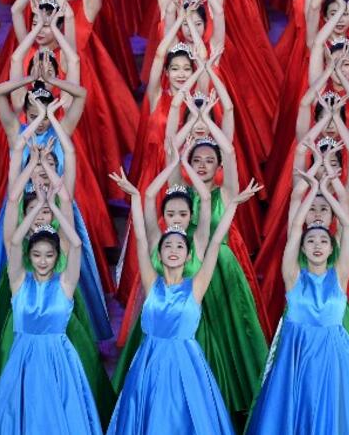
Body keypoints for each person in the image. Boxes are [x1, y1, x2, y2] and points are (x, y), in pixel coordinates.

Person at [106, 167, 259, 435]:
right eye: (168, 246)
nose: (173, 250)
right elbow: (141, 239)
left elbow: (212, 249)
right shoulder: (151, 283)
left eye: (179, 246)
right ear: (160, 253)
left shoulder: (195, 287)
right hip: (149, 364)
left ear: (188, 256)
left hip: (188, 365)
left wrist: (233, 205)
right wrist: (133, 197)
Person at [245, 173, 349, 434]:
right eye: (311, 241)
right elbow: (295, 227)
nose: (317, 245)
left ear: (331, 249)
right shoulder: (293, 276)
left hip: (332, 356)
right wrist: (313, 189)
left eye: (323, 241)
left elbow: (347, 225)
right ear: (302, 249)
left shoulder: (339, 276)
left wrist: (325, 192)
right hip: (296, 355)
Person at [0, 160, 102, 434]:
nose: (43, 261)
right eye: (36, 255)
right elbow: (13, 242)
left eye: (49, 255)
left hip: (60, 361)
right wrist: (32, 216)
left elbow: (78, 243)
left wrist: (53, 204)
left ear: (57, 257)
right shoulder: (19, 281)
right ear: (29, 257)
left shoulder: (65, 283)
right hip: (23, 359)